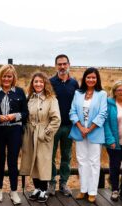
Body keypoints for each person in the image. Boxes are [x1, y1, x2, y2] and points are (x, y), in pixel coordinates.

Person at [0, 64, 28, 204]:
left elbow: (25, 113)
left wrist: (13, 116)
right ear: (1, 77)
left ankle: (13, 191)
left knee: (12, 161)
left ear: (13, 78)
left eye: (9, 76)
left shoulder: (20, 92)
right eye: (4, 76)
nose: (6, 79)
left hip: (14, 131)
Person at [20, 72, 61, 203]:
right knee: (32, 160)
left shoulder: (51, 99)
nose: (38, 84)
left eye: (41, 82)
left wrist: (46, 133)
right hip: (30, 133)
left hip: (43, 133)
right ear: (32, 84)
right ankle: (37, 188)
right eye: (35, 81)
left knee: (43, 161)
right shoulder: (29, 98)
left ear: (45, 84)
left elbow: (56, 119)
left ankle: (44, 190)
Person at [69, 67, 107, 203]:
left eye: (94, 77)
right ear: (84, 79)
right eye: (88, 77)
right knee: (81, 161)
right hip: (80, 132)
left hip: (95, 132)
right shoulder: (78, 93)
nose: (91, 80)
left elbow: (103, 114)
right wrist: (80, 127)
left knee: (94, 162)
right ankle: (83, 189)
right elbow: (72, 111)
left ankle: (92, 191)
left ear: (97, 79)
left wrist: (89, 129)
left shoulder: (102, 94)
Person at [49, 54, 79, 196]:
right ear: (56, 66)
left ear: (69, 64)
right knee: (51, 156)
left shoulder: (74, 84)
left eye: (64, 64)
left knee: (66, 157)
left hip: (68, 126)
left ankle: (63, 183)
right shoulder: (50, 83)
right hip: (53, 126)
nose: (62, 67)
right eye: (59, 64)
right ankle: (51, 183)